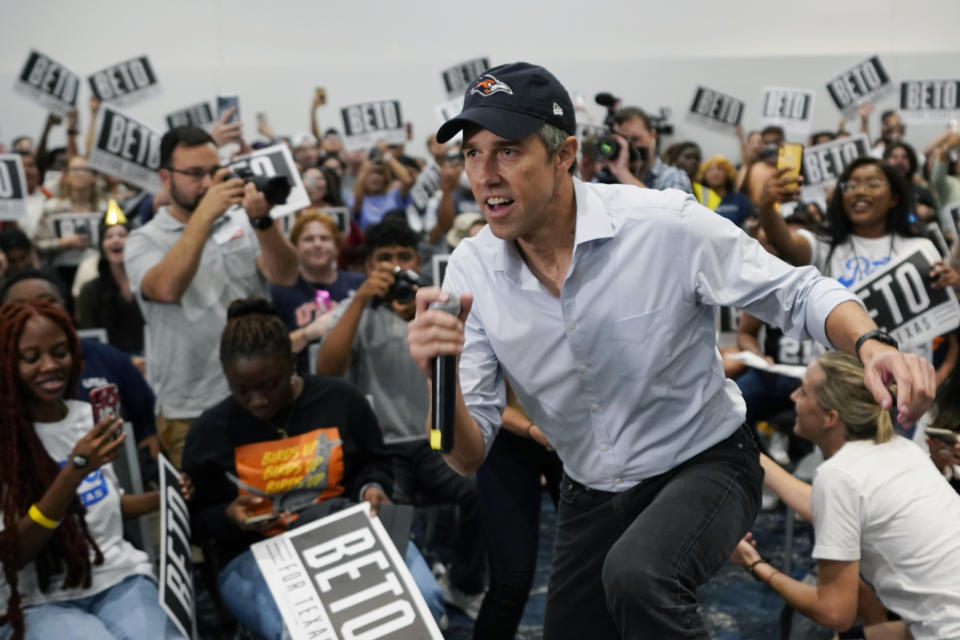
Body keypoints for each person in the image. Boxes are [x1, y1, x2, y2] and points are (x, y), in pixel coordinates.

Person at [408, 61, 937, 639]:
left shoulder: (664, 226)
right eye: (472, 154)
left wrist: (870, 343)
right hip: (590, 489)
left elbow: (797, 290)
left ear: (564, 155)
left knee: (639, 577)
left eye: (507, 151)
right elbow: (464, 455)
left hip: (706, 462)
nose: (485, 175)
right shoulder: (468, 271)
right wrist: (441, 376)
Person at [181, 298, 444, 638]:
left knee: (423, 601)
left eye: (269, 385)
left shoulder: (339, 400)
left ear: (292, 362)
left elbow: (374, 462)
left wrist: (372, 489)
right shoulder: (211, 431)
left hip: (346, 531)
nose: (257, 400)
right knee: (304, 631)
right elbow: (195, 523)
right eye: (242, 390)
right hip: (258, 551)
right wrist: (227, 518)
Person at [316, 220, 487, 618]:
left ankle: (463, 584)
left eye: (403, 257)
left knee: (482, 492)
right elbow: (326, 371)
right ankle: (400, 603)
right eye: (384, 259)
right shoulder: (355, 308)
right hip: (383, 449)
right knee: (390, 516)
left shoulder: (440, 304)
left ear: (417, 260)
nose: (395, 266)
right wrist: (359, 299)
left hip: (432, 440)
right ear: (368, 265)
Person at [730, 352, 960, 639]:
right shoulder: (900, 448)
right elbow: (833, 510)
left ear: (830, 417)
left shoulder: (839, 475)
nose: (792, 397)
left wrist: (755, 564)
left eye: (803, 391)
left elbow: (834, 612)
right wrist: (751, 455)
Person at [0, 300, 182, 640]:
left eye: (60, 352)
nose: (51, 366)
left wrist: (167, 496)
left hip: (118, 576)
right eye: (31, 357)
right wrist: (75, 470)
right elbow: (15, 551)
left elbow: (104, 504)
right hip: (37, 600)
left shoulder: (86, 417)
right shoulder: (6, 443)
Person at [124, 126, 298, 468]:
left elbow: (285, 275)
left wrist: (263, 223)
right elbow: (166, 287)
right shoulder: (144, 239)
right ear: (165, 177)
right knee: (206, 513)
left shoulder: (242, 222)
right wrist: (206, 214)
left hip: (262, 395)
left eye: (213, 172)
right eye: (193, 174)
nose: (206, 184)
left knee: (276, 506)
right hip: (190, 406)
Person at [757, 157, 960, 365]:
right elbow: (784, 242)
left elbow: (943, 317)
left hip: (902, 382)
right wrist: (766, 206)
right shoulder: (824, 247)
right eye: (851, 185)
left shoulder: (920, 248)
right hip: (837, 385)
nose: (860, 191)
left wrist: (951, 284)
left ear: (894, 198)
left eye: (873, 183)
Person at [1, 270, 160, 462]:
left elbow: (147, 428)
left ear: (67, 308)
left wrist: (148, 475)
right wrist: (75, 471)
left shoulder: (107, 359)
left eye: (47, 301)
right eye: (30, 357)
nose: (36, 312)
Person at [269, 211, 365, 371]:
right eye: (308, 239)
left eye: (325, 238)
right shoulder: (280, 290)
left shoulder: (359, 284)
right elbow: (270, 351)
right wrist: (306, 334)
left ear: (337, 247)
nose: (317, 244)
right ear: (295, 247)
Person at [77, 217, 145, 357]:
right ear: (102, 246)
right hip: (111, 361)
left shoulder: (147, 283)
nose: (116, 240)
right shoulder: (90, 291)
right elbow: (91, 339)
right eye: (109, 236)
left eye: (122, 235)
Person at [600, 106, 693, 193]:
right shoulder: (607, 171)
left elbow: (669, 210)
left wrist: (623, 174)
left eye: (635, 139)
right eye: (621, 139)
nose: (627, 146)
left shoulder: (672, 177)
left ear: (653, 136)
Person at [351, 141, 414, 230]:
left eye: (379, 173)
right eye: (370, 173)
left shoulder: (394, 195)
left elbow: (407, 181)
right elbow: (356, 204)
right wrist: (364, 170)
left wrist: (386, 154)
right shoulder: (357, 199)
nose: (375, 177)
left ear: (385, 177)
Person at [697, 155, 754, 226]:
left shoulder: (740, 200)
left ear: (728, 173)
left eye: (720, 169)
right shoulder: (698, 200)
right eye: (710, 170)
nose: (715, 173)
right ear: (704, 176)